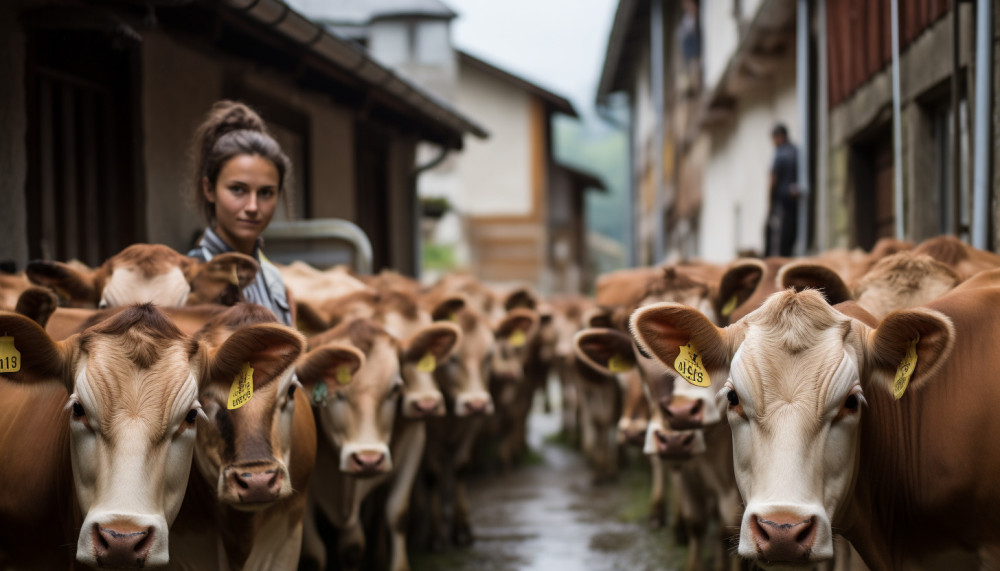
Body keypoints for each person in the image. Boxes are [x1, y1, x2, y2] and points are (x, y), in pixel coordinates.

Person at [187, 100, 293, 325]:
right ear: (209, 189)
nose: (253, 207)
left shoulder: (274, 281)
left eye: (266, 193)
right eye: (238, 189)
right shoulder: (187, 281)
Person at [765, 123, 800, 257]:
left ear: (779, 137)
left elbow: (773, 179)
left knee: (779, 241)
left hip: (782, 202)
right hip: (795, 201)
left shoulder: (779, 154)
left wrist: (770, 204)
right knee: (791, 237)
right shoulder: (796, 151)